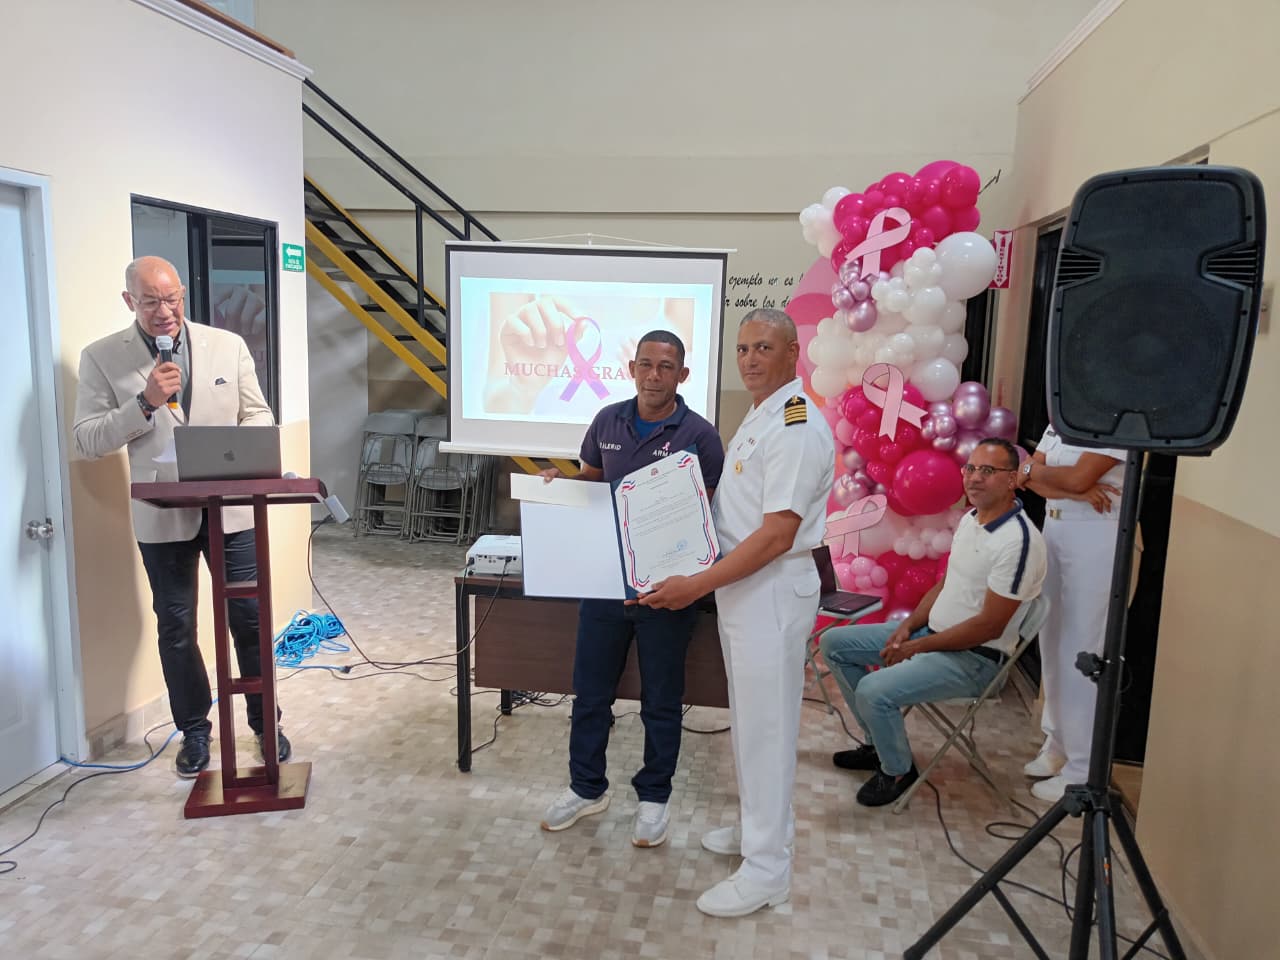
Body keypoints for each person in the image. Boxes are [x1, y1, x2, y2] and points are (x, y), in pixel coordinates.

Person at [637, 308, 834, 918]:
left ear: (792, 352)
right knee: (751, 722)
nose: (750, 359)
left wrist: (694, 585)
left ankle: (768, 870)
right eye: (744, 348)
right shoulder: (763, 412)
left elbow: (776, 535)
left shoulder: (795, 424)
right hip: (745, 589)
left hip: (770, 587)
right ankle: (759, 830)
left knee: (767, 729)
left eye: (764, 348)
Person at [72, 256, 289, 778]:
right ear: (129, 301)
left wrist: (238, 448)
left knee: (249, 617)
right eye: (151, 302)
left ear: (183, 296)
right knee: (176, 626)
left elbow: (258, 413)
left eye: (172, 299)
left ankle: (265, 724)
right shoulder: (101, 357)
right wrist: (145, 403)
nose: (164, 311)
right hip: (161, 515)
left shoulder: (227, 345)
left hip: (231, 510)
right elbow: (87, 439)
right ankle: (194, 732)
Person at [537, 330, 724, 848]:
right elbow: (592, 484)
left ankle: (654, 798)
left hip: (668, 590)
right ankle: (586, 788)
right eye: (646, 364)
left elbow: (705, 513)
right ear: (632, 368)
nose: (654, 375)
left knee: (661, 700)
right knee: (590, 694)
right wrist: (558, 483)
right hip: (603, 582)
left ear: (682, 375)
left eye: (666, 367)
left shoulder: (701, 436)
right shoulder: (607, 421)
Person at [818, 438, 1047, 809]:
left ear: (1012, 479)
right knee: (835, 645)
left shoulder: (1018, 542)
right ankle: (879, 746)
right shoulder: (972, 519)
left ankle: (897, 771)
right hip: (932, 635)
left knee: (874, 690)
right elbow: (946, 584)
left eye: (988, 471)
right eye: (971, 468)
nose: (975, 478)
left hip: (975, 658)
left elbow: (989, 627)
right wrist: (909, 626)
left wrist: (916, 647)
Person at [1016, 424, 1124, 802]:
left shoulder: (1117, 419)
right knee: (1051, 640)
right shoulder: (1065, 419)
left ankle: (1082, 767)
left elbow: (1077, 476)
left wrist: (1039, 473)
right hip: (1055, 527)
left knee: (1083, 648)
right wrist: (1064, 485)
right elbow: (1027, 478)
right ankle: (1058, 742)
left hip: (1096, 531)